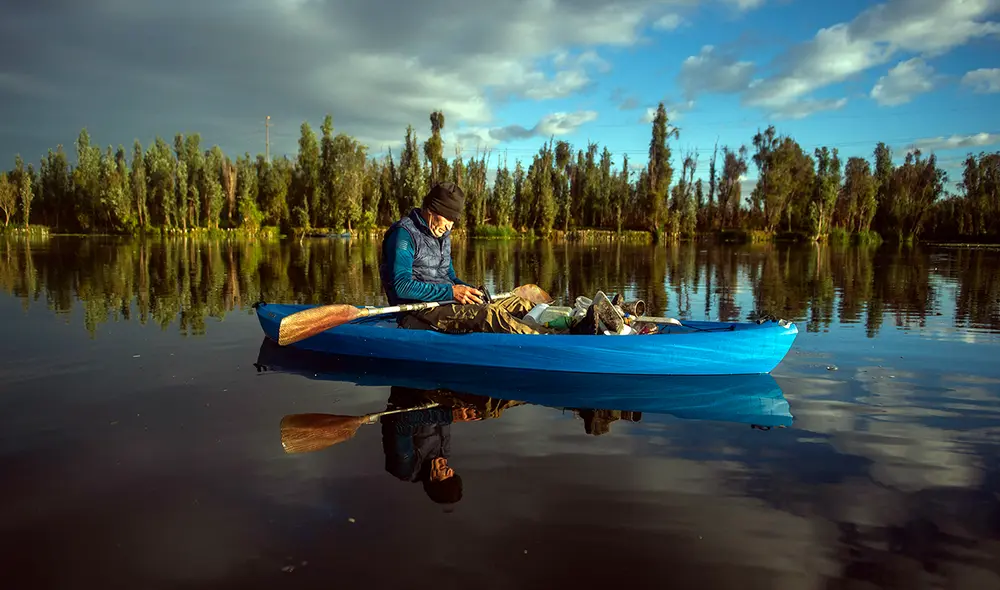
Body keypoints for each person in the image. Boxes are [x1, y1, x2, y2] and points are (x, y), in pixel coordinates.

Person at [378, 182, 548, 334]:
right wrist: (451, 292)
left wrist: (472, 291)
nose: (449, 226)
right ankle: (550, 341)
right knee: (489, 314)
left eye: (453, 221)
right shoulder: (403, 235)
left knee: (518, 304)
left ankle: (564, 326)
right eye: (447, 219)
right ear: (430, 211)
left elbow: (449, 277)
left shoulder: (441, 234)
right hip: (418, 312)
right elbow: (402, 286)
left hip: (447, 302)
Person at [380, 386, 479, 505]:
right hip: (436, 389)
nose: (450, 470)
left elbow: (401, 421)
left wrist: (450, 416)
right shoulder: (443, 454)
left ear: (432, 480)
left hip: (409, 388)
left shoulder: (406, 468)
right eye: (453, 474)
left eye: (447, 476)